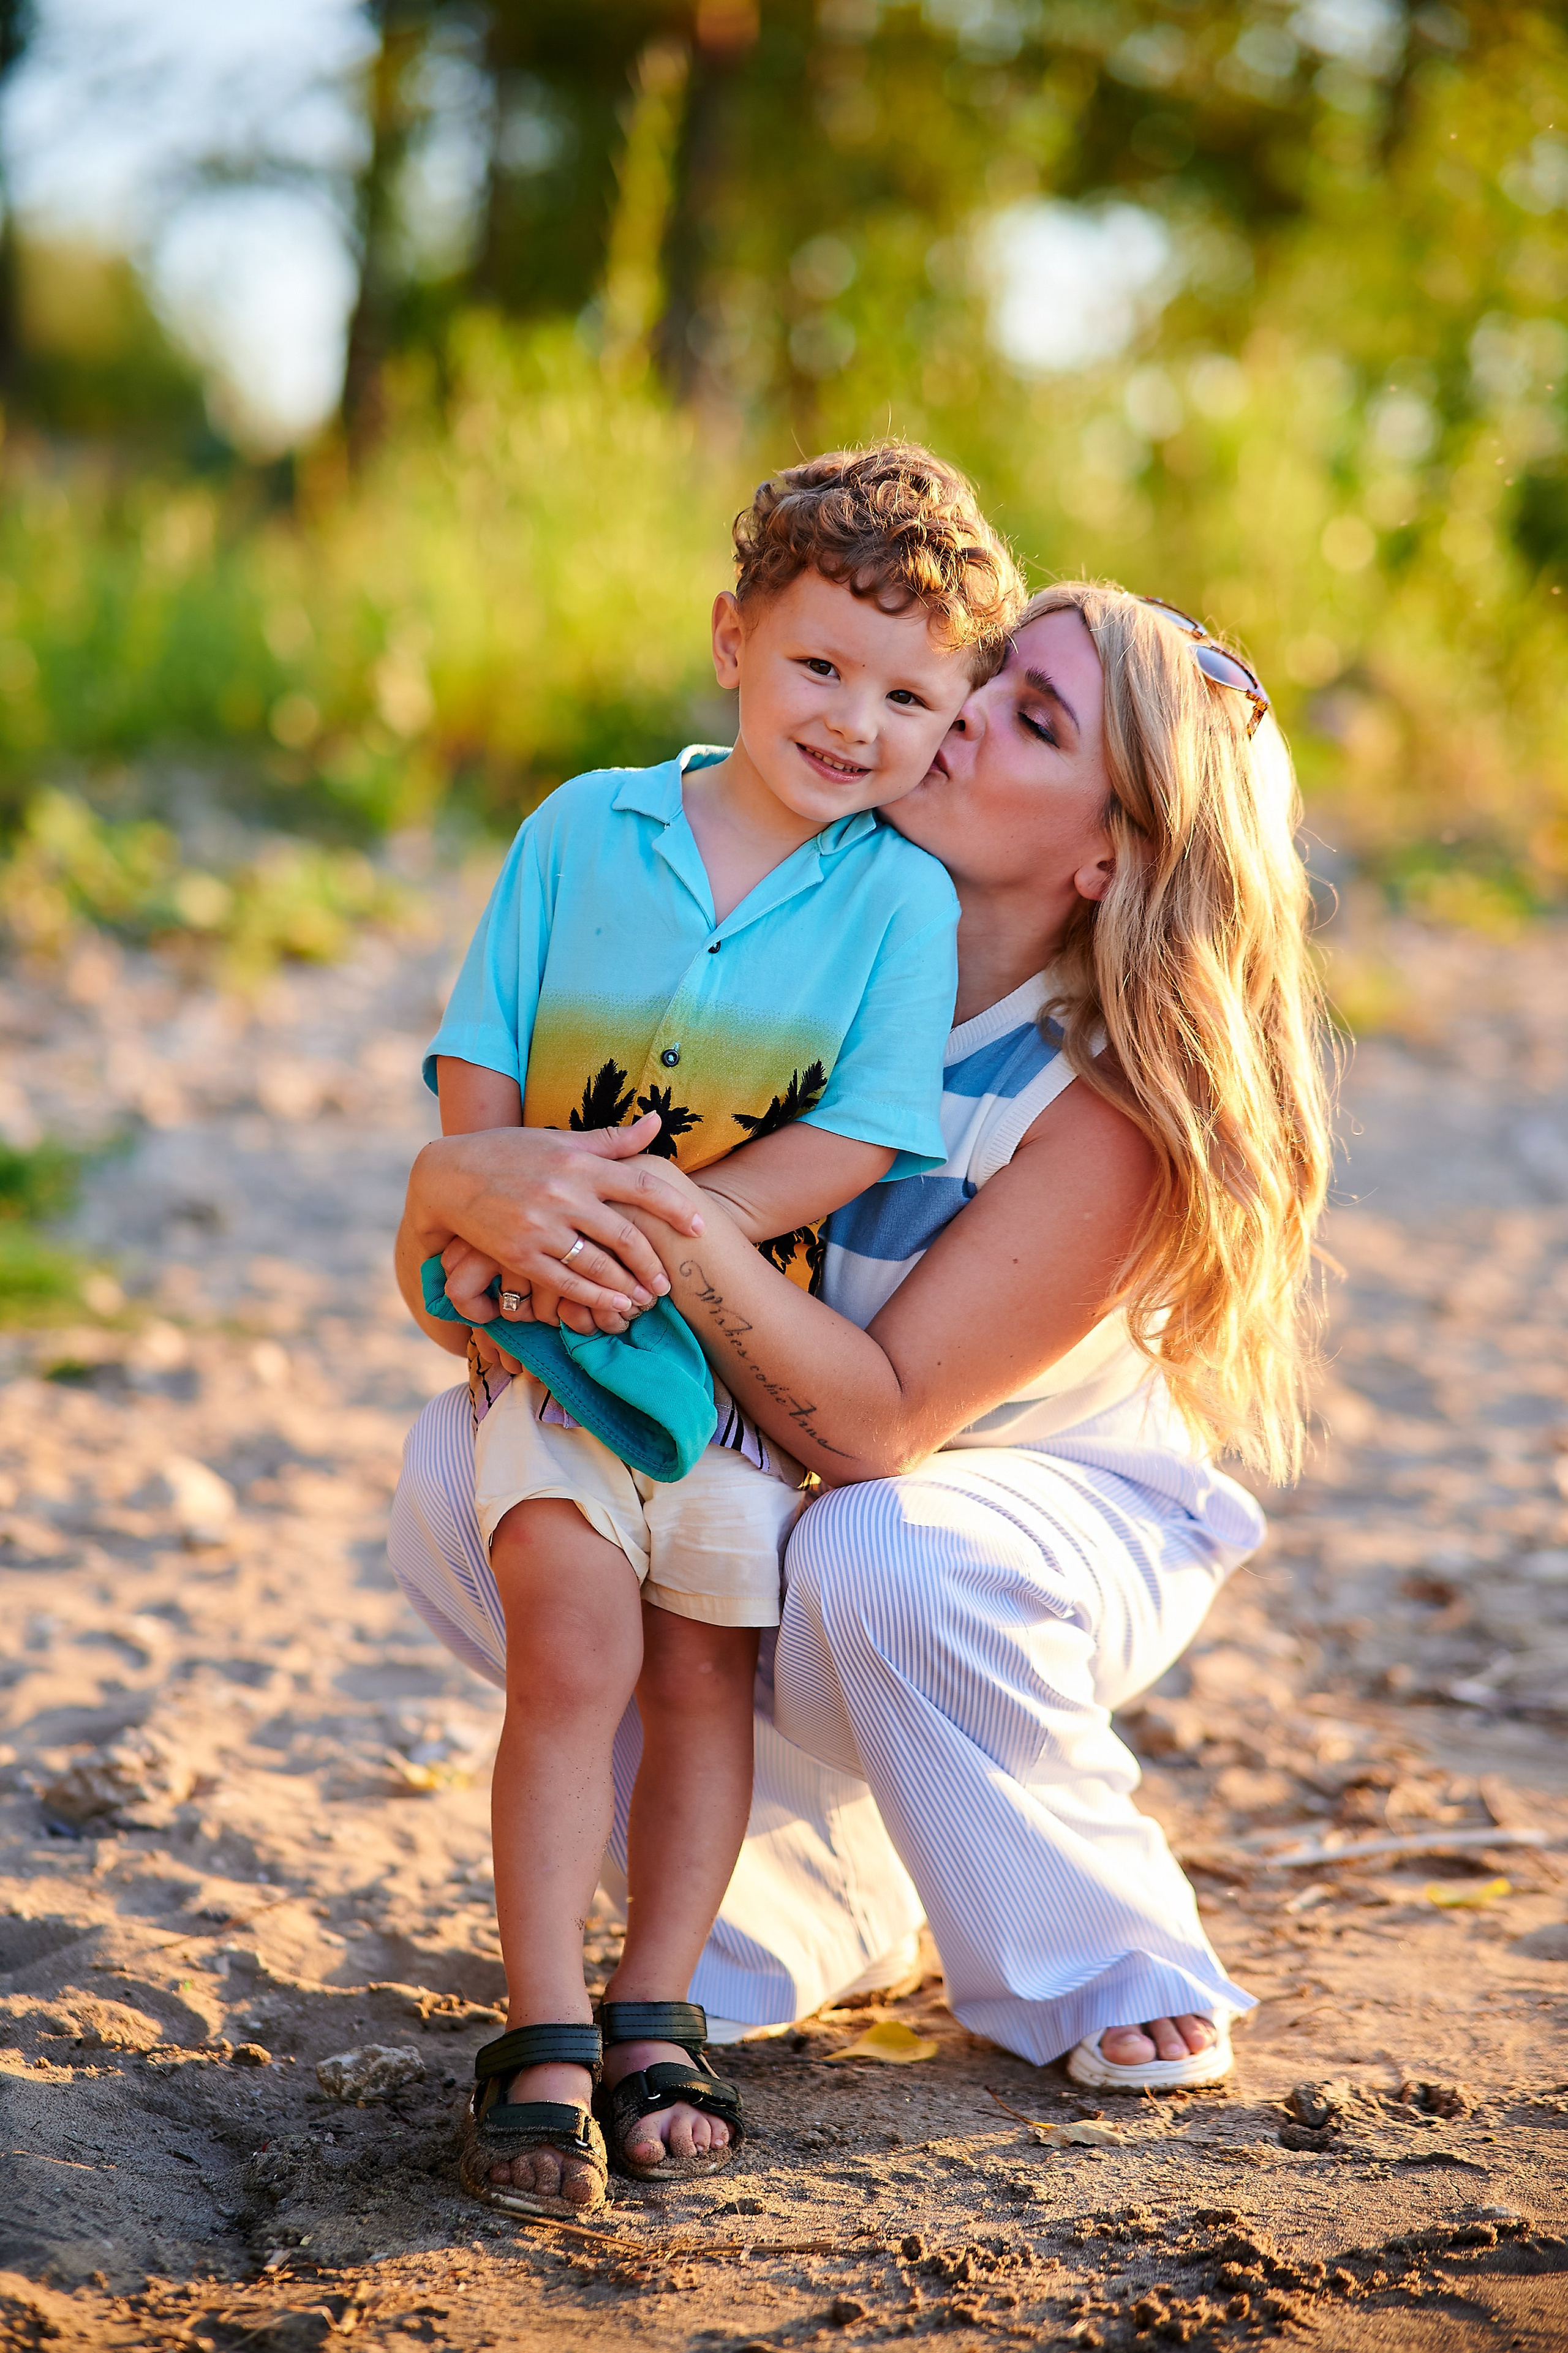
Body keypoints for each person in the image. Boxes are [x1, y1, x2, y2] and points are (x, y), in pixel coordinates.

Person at [391, 578, 1332, 2219]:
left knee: (877, 1555)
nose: (957, 715)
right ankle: (821, 1880)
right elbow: (480, 1238)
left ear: (1106, 854)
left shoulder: (1095, 1096)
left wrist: (671, 1217)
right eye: (988, 677)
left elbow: (876, 1424)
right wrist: (461, 1183)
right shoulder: (805, 925)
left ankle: (1094, 1940)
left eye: (1030, 720)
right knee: (467, 1476)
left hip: (1022, 1521)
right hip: (788, 1482)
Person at [410, 443, 1025, 2218]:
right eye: (822, 664)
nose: (855, 720)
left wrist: (689, 1220)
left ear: (950, 719)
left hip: (733, 1373)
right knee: (574, 1649)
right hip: (556, 1335)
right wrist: (505, 1208)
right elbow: (479, 1051)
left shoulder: (894, 900)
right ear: (734, 637)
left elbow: (864, 1130)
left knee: (703, 1677)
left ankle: (653, 2006)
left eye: (912, 696)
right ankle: (536, 2023)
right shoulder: (582, 827)